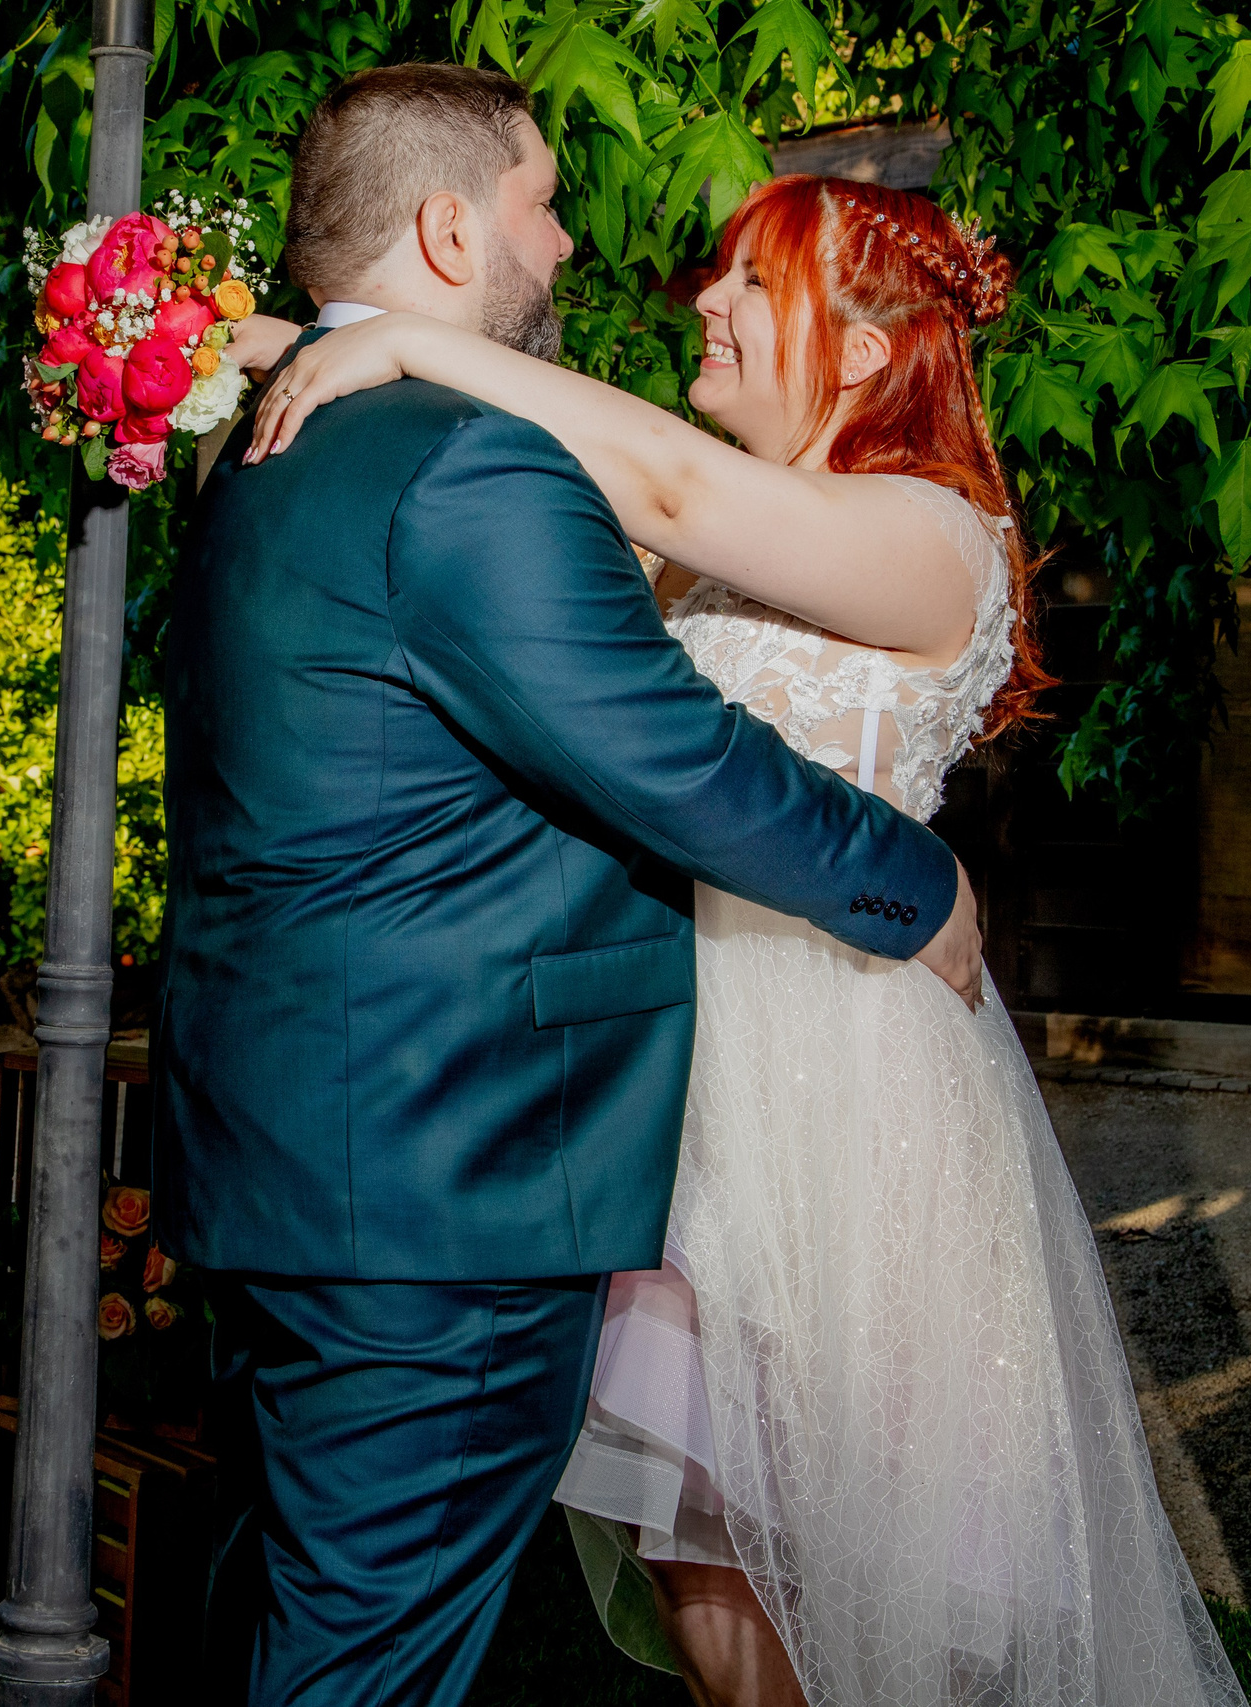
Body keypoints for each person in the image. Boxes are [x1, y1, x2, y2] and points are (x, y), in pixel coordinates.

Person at [232, 174, 1251, 1707]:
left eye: (754, 287)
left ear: (856, 354)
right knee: (707, 1561)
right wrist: (232, 342)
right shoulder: (706, 552)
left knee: (866, 1572)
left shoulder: (933, 534)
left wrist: (401, 345)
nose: (703, 299)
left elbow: (666, 486)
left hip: (842, 1092)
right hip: (681, 1095)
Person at [153, 64, 985, 1707]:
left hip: (324, 1156)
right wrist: (918, 884)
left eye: (761, 282)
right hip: (434, 1183)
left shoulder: (274, 453)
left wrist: (334, 340)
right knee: (357, 1664)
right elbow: (668, 751)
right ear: (453, 231)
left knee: (304, 1627)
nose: (577, 245)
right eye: (541, 205)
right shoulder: (465, 466)